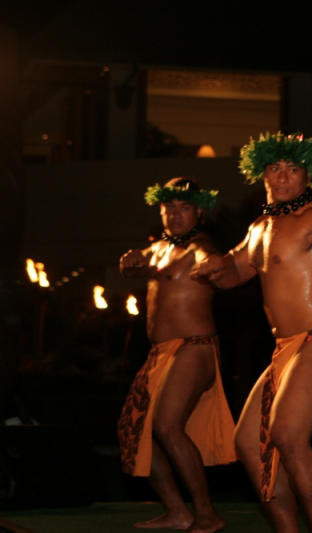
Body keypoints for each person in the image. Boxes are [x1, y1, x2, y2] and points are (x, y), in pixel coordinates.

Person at [193, 132, 312, 533]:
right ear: (263, 174)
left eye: (293, 169)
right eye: (275, 168)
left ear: (309, 175)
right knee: (249, 447)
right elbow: (235, 272)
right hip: (287, 350)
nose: (283, 176)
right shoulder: (259, 228)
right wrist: (213, 268)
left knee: (288, 435)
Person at [117, 178, 235, 533]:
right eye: (169, 208)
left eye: (184, 207)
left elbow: (210, 258)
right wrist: (129, 262)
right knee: (133, 432)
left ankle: (206, 513)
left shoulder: (200, 246)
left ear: (198, 211)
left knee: (167, 426)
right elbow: (131, 267)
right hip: (160, 354)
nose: (176, 214)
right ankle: (177, 512)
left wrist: (215, 263)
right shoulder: (157, 250)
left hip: (194, 348)